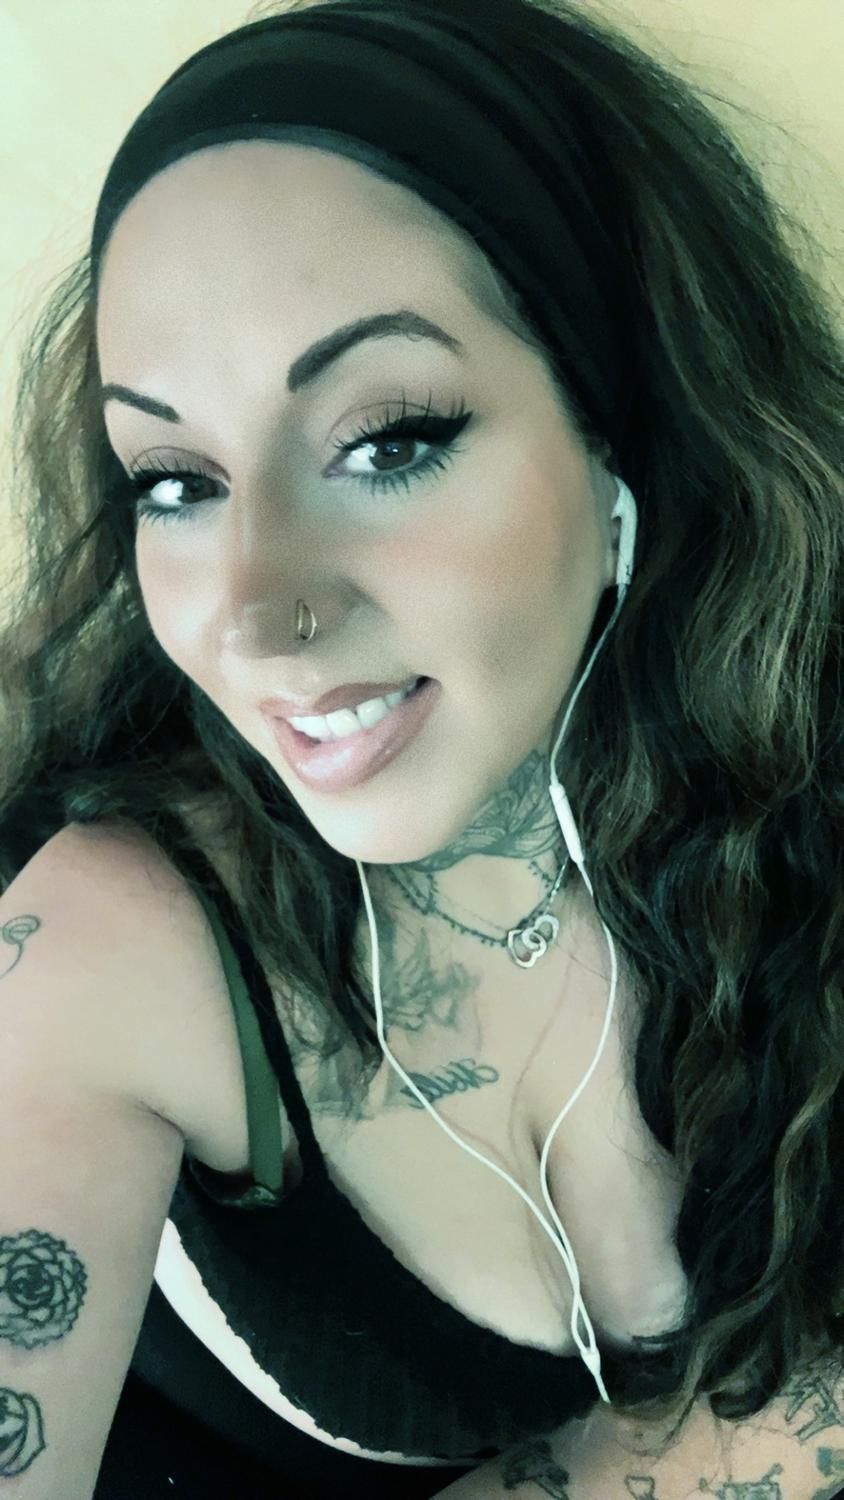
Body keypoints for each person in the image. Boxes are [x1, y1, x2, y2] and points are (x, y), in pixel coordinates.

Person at [1, 0, 842, 1496]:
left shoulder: (803, 805)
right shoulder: (97, 946)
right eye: (175, 479)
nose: (257, 618)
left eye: (388, 439)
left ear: (622, 427)